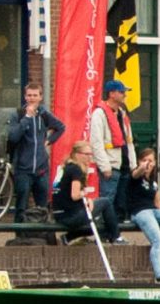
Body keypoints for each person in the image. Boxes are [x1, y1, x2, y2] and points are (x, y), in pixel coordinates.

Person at [112, 149, 160, 284]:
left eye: (151, 161)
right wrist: (143, 165)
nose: (148, 164)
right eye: (145, 160)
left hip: (153, 211)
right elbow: (137, 172)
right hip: (140, 212)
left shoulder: (154, 182)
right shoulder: (134, 177)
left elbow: (158, 203)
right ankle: (159, 277)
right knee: (158, 240)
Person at [5, 82, 64, 222]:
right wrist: (27, 118)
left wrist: (49, 141)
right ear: (25, 97)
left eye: (35, 95)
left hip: (41, 169)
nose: (32, 98)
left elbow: (61, 127)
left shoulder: (44, 115)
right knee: (21, 206)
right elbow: (13, 137)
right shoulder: (18, 115)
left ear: (40, 97)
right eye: (29, 95)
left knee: (42, 206)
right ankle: (20, 237)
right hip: (23, 169)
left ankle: (41, 236)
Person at [90, 78, 137, 234]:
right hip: (111, 165)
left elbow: (128, 140)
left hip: (123, 165)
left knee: (120, 203)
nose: (124, 95)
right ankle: (103, 234)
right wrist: (104, 166)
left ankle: (115, 234)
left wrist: (133, 164)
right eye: (121, 92)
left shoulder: (122, 113)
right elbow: (96, 142)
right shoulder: (100, 114)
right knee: (107, 200)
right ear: (111, 93)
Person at [49, 143, 95, 239]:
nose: (89, 157)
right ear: (77, 154)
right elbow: (75, 195)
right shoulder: (76, 169)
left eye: (91, 154)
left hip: (58, 213)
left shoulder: (65, 167)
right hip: (68, 215)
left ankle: (67, 238)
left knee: (95, 219)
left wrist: (86, 199)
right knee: (105, 203)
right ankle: (116, 237)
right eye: (86, 154)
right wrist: (84, 193)